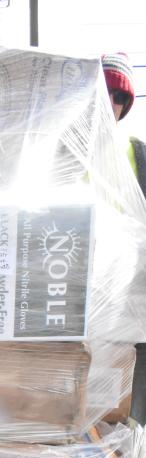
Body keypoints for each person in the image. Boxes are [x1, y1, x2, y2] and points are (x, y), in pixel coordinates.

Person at [102, 52, 146, 422]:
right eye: (105, 92)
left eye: (120, 98)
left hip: (129, 301)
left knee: (127, 410)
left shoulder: (138, 154)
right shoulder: (64, 150)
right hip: (76, 293)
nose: (112, 103)